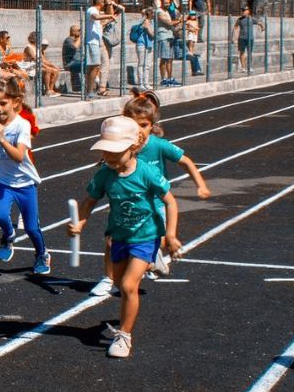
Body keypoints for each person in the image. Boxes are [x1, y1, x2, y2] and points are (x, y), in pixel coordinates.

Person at [68, 115, 182, 359]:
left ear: (133, 147)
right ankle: (151, 262)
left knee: (130, 286)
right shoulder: (104, 175)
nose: (108, 156)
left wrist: (170, 236)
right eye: (105, 151)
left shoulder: (147, 173)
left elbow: (170, 202)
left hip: (146, 236)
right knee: (119, 284)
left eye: (114, 151)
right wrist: (79, 224)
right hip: (119, 238)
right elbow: (88, 202)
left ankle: (124, 336)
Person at [90, 90, 210, 297]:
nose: (139, 130)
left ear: (152, 126)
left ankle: (151, 260)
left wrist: (200, 184)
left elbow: (187, 162)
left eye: (144, 125)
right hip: (127, 203)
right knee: (110, 241)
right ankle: (108, 278)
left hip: (155, 204)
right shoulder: (120, 146)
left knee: (156, 240)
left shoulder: (158, 146)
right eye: (134, 124)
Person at [0, 76, 49, 275]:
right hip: (2, 180)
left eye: (3, 103)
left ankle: (42, 253)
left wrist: (1, 139)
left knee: (31, 227)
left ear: (15, 103)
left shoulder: (21, 126)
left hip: (25, 182)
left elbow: (20, 156)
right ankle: (8, 235)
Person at [83, 0, 115, 96]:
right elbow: (96, 17)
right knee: (94, 66)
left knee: (95, 66)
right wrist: (110, 16)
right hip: (92, 42)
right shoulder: (91, 10)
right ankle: (90, 90)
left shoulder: (97, 11)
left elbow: (110, 15)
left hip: (96, 42)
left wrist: (110, 5)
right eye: (103, 3)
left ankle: (90, 89)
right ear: (100, 3)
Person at [128, 9, 156, 91]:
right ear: (149, 14)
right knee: (141, 64)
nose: (154, 14)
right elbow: (152, 35)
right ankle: (141, 83)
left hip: (149, 45)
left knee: (147, 65)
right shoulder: (144, 22)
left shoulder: (152, 22)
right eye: (152, 13)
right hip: (141, 44)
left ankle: (146, 83)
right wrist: (147, 29)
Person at [236, 6, 264, 70]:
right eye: (242, 10)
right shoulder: (239, 19)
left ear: (248, 11)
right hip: (241, 38)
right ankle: (243, 67)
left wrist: (262, 27)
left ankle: (249, 66)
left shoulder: (251, 19)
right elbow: (235, 27)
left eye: (245, 10)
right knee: (242, 52)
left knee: (249, 53)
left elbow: (259, 23)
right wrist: (234, 36)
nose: (243, 12)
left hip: (250, 38)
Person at [61, 24, 82, 92]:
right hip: (70, 64)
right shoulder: (68, 40)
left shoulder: (75, 40)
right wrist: (80, 38)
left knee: (93, 65)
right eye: (79, 30)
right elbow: (75, 46)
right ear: (73, 32)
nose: (80, 32)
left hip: (76, 63)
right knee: (89, 66)